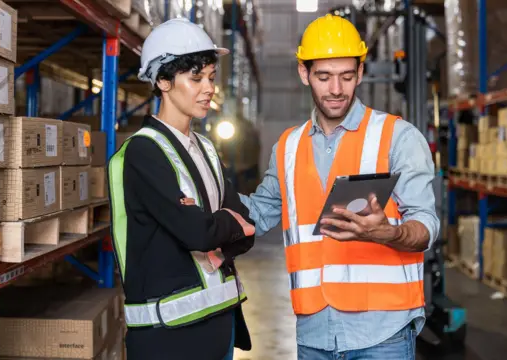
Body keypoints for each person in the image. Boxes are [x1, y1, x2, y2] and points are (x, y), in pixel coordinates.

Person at [239, 14, 440, 360]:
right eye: (324, 76)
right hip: (314, 331)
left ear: (360, 73)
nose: (335, 89)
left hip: (383, 335)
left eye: (346, 77)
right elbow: (257, 213)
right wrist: (206, 195)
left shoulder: (398, 138)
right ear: (305, 74)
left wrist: (389, 233)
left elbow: (427, 225)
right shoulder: (287, 147)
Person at [107, 18, 255, 360]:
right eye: (196, 78)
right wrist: (218, 225)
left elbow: (247, 228)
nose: (208, 89)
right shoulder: (144, 152)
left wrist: (219, 222)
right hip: (169, 338)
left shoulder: (204, 148)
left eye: (211, 78)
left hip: (218, 327)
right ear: (163, 80)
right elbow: (197, 233)